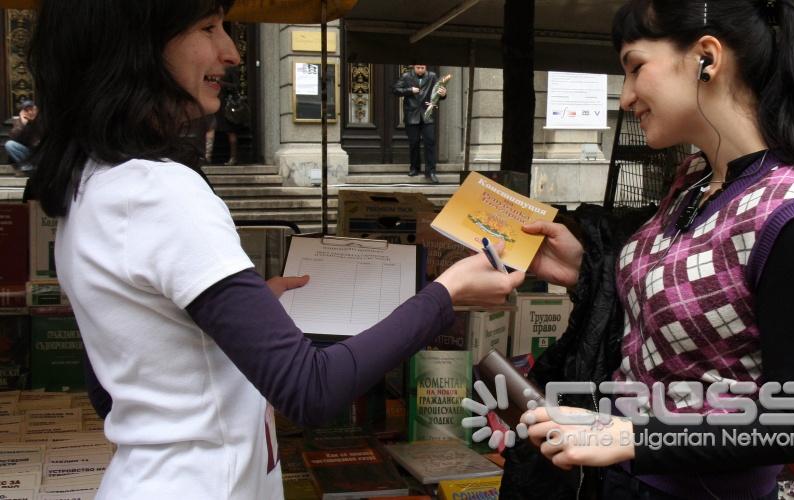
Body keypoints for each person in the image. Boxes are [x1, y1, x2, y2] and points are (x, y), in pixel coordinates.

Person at [26, 1, 523, 498]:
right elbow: (310, 390)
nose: (231, 52)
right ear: (135, 46)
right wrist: (444, 293)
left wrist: (237, 312)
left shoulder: (90, 186)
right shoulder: (160, 192)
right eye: (207, 28)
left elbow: (114, 383)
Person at [515, 1, 794, 498]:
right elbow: (681, 308)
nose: (627, 97)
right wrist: (587, 268)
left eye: (635, 67)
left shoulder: (792, 219)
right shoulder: (696, 180)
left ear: (707, 57)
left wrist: (634, 437)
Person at [392, 64, 446, 183]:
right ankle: (414, 168)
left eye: (423, 68)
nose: (420, 70)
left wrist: (443, 94)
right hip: (412, 115)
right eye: (418, 68)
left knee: (430, 142)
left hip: (427, 114)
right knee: (414, 143)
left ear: (426, 67)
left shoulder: (432, 76)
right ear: (413, 67)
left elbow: (438, 92)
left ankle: (431, 171)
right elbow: (395, 89)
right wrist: (409, 90)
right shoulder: (406, 76)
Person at [205, 65, 244, 165]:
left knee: (230, 130)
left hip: (226, 105)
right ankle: (207, 157)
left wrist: (221, 83)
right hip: (213, 103)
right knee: (210, 127)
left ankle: (233, 158)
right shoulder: (210, 69)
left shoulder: (230, 69)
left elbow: (237, 86)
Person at [4, 100, 38, 175]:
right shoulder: (19, 122)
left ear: (35, 109)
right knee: (9, 144)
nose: (29, 112)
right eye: (26, 110)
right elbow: (13, 136)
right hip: (26, 153)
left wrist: (34, 121)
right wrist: (23, 124)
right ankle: (27, 167)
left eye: (31, 109)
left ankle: (30, 168)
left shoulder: (41, 120)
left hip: (39, 152)